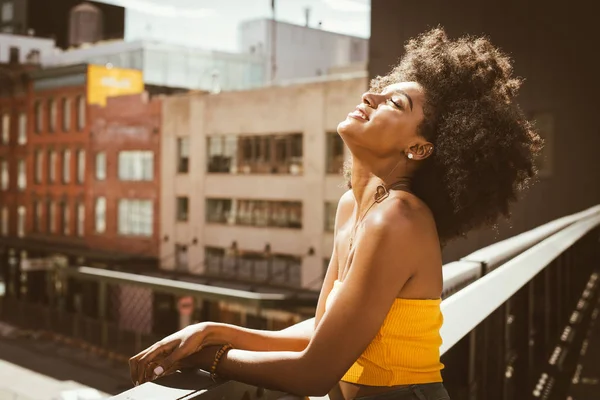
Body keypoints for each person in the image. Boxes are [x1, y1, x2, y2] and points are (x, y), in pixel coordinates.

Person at [129, 27, 542, 400]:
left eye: (393, 103)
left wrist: (213, 357)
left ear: (418, 148)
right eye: (379, 89)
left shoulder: (399, 218)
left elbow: (313, 373)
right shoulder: (354, 206)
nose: (370, 96)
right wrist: (211, 331)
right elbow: (323, 333)